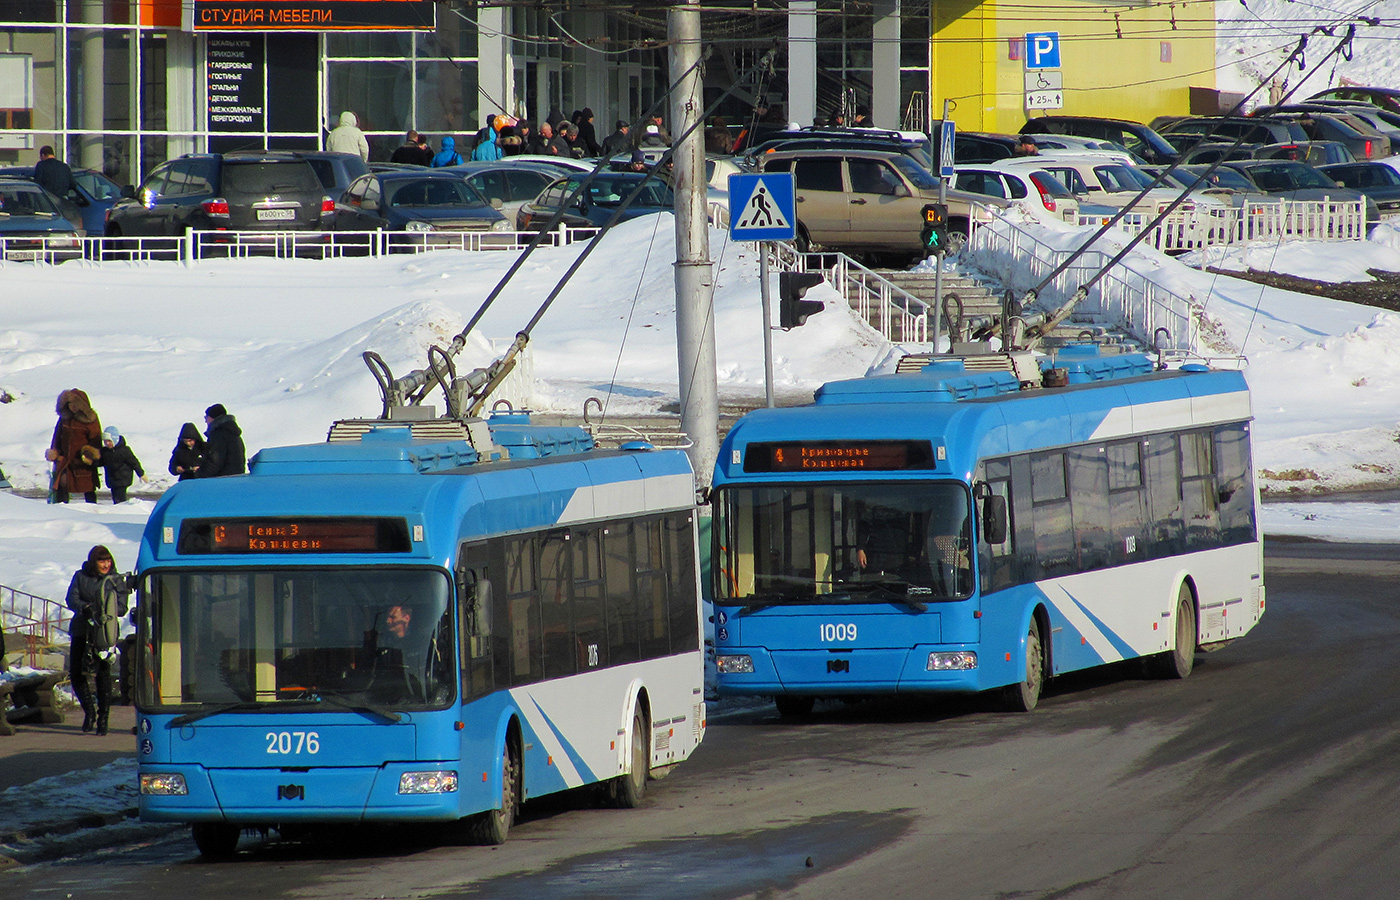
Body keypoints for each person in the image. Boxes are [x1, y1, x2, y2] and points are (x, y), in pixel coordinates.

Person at [65, 545, 135, 735]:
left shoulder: (116, 580)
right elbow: (71, 599)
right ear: (93, 562)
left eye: (108, 560)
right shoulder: (81, 576)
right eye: (101, 561)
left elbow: (121, 607)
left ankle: (104, 718)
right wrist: (85, 607)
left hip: (105, 631)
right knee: (77, 671)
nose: (105, 565)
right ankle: (89, 711)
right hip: (82, 629)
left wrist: (104, 609)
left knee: (102, 673)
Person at [46, 388, 102, 504]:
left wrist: (90, 454)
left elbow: (96, 439)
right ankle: (60, 507)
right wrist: (55, 451)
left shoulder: (90, 420)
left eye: (74, 404)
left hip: (82, 461)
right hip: (65, 459)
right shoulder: (64, 419)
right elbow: (57, 436)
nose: (71, 407)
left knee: (88, 486)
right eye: (69, 404)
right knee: (62, 483)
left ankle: (93, 509)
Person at [195, 403, 246, 478]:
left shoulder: (218, 435)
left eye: (206, 417)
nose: (205, 420)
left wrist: (199, 475)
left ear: (212, 417)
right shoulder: (233, 433)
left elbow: (215, 461)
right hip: (235, 477)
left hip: (222, 480)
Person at [98, 425, 145, 504]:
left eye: (109, 441)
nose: (107, 443)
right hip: (112, 479)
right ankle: (119, 507)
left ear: (115, 439)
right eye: (105, 441)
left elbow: (134, 462)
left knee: (120, 498)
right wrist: (90, 461)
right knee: (115, 497)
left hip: (123, 478)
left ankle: (122, 509)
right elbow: (101, 462)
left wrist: (141, 474)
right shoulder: (105, 451)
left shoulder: (124, 451)